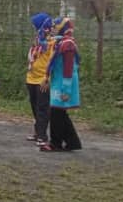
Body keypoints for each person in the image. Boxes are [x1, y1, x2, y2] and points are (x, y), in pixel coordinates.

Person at [42, 17, 82, 152]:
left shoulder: (68, 44)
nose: (52, 29)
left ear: (63, 28)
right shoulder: (61, 42)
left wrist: (66, 90)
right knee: (59, 113)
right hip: (58, 82)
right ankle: (73, 142)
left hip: (64, 83)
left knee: (56, 113)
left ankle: (56, 143)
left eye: (55, 26)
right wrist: (47, 77)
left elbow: (68, 68)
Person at [26, 12, 55, 149]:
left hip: (43, 79)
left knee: (43, 108)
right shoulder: (37, 39)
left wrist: (48, 78)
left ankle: (43, 137)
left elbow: (53, 61)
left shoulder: (52, 41)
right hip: (31, 78)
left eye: (35, 26)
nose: (33, 28)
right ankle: (38, 132)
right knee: (35, 108)